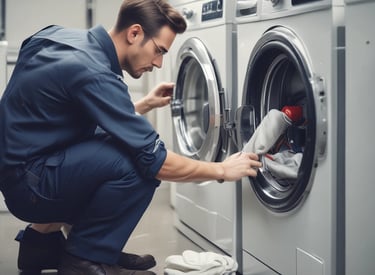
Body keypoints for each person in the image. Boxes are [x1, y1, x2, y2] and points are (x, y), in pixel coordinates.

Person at [0, 0, 262, 275]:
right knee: (136, 162)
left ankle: (41, 245)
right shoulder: (94, 73)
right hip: (31, 189)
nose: (159, 63)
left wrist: (142, 104)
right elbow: (156, 161)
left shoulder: (60, 37)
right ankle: (86, 259)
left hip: (20, 172)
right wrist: (222, 169)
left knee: (113, 141)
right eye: (158, 50)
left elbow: (62, 114)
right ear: (135, 33)